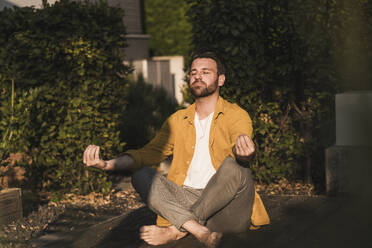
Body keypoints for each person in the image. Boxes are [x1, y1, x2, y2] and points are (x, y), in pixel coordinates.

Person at [83, 51, 270, 248]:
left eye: (205, 72)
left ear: (220, 79)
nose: (198, 76)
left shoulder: (236, 115)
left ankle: (176, 231)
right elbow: (148, 154)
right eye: (193, 73)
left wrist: (245, 153)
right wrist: (106, 164)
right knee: (140, 174)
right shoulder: (177, 120)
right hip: (186, 200)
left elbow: (241, 138)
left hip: (225, 209)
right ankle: (197, 229)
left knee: (236, 167)